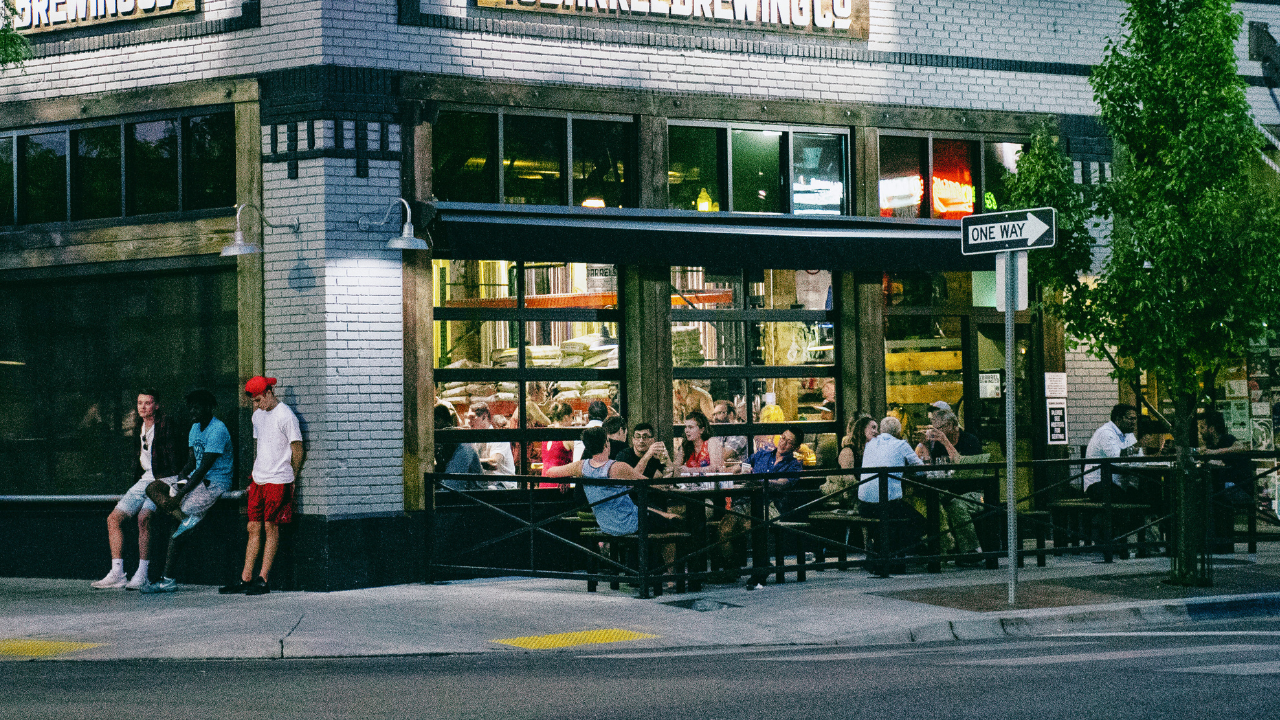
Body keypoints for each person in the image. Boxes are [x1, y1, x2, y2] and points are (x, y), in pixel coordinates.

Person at [138, 389, 234, 593]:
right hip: (195, 480)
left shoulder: (217, 429)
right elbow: (191, 463)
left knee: (177, 528)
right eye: (190, 407)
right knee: (153, 487)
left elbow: (203, 469)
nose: (192, 411)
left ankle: (168, 579)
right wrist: (180, 478)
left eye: (196, 407)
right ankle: (184, 518)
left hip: (213, 483)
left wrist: (179, 495)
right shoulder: (194, 428)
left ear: (208, 407)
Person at [91, 389, 188, 590]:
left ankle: (142, 574)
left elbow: (175, 457)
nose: (142, 407)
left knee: (144, 518)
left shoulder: (165, 423)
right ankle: (117, 573)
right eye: (139, 403)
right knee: (113, 519)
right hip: (145, 479)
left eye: (148, 403)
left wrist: (175, 482)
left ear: (157, 405)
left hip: (163, 479)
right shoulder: (139, 425)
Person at [219, 376, 303, 596]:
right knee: (253, 527)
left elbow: (297, 449)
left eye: (258, 400)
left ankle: (263, 578)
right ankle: (245, 578)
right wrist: (257, 474)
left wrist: (291, 477)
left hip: (278, 479)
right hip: (259, 478)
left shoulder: (286, 416)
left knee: (270, 526)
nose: (255, 405)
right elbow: (262, 445)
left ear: (268, 393)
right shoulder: (258, 416)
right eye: (253, 402)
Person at [544, 427, 681, 536]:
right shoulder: (617, 467)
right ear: (606, 444)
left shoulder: (580, 466)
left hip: (607, 525)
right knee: (681, 524)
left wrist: (566, 476)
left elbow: (550, 472)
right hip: (631, 523)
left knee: (662, 516)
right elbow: (651, 486)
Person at [915, 408, 987, 566]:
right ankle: (937, 549)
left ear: (952, 425)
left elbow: (961, 464)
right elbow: (932, 469)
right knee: (927, 501)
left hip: (974, 492)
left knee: (955, 505)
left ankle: (972, 551)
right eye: (934, 429)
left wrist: (945, 441)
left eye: (939, 428)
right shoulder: (939, 445)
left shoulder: (970, 440)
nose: (936, 432)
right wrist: (926, 446)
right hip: (948, 490)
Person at [858, 416, 926, 572]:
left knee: (898, 519)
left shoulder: (870, 444)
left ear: (881, 430)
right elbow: (920, 468)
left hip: (864, 504)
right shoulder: (901, 444)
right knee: (919, 522)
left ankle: (884, 556)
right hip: (887, 504)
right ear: (899, 432)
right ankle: (901, 556)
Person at [1200, 409, 1252, 553]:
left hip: (1239, 488)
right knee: (1206, 494)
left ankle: (1219, 543)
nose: (1200, 432)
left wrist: (1214, 454)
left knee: (1213, 496)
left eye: (1202, 428)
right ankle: (1212, 542)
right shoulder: (1211, 445)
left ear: (1211, 428)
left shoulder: (1227, 440)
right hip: (1223, 488)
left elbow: (1242, 447)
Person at [1084, 404, 1138, 500]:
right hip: (1098, 483)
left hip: (1120, 483)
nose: (1134, 422)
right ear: (1118, 419)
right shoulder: (1106, 433)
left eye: (1135, 419)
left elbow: (1139, 457)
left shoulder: (1129, 434)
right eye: (1130, 419)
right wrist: (1137, 447)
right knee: (1128, 498)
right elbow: (1116, 457)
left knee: (1146, 489)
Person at [433, 404, 485, 490]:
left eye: (436, 421)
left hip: (473, 490)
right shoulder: (454, 444)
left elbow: (451, 486)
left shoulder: (463, 447)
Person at [469, 401, 515, 477]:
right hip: (486, 484)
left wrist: (469, 461)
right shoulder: (476, 438)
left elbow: (493, 463)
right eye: (468, 418)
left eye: (472, 418)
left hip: (502, 484)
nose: (469, 422)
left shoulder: (498, 437)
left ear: (484, 417)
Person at [540, 400, 575, 488]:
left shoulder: (546, 435)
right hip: (560, 485)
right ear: (566, 417)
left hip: (544, 482)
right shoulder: (567, 437)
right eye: (572, 417)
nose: (572, 421)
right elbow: (577, 460)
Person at [711, 400, 748, 466]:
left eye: (720, 413)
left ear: (731, 414)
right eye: (714, 414)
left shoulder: (738, 432)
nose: (715, 417)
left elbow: (724, 455)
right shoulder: (720, 432)